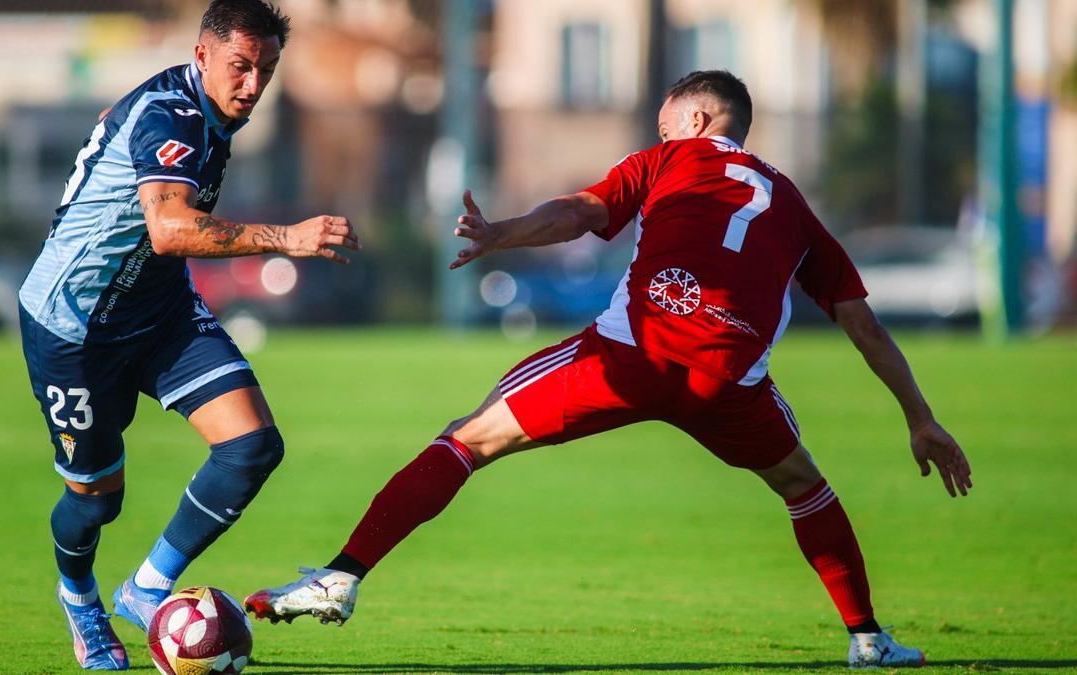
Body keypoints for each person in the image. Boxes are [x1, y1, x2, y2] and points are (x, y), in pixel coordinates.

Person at [244, 70, 972, 668]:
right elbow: (864, 326)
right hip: (729, 383)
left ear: (696, 119)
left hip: (632, 355)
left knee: (468, 438)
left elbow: (581, 212)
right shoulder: (794, 206)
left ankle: (341, 577)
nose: (660, 135)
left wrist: (501, 233)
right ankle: (868, 639)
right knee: (804, 487)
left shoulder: (670, 160)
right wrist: (921, 418)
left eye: (665, 124)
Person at [17, 1, 359, 670]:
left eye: (266, 70)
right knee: (97, 499)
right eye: (240, 66)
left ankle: (146, 589)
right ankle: (79, 597)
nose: (253, 85)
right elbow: (170, 229)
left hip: (160, 307)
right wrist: (286, 237)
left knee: (252, 446)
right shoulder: (171, 114)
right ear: (202, 55)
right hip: (73, 327)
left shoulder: (210, 113)